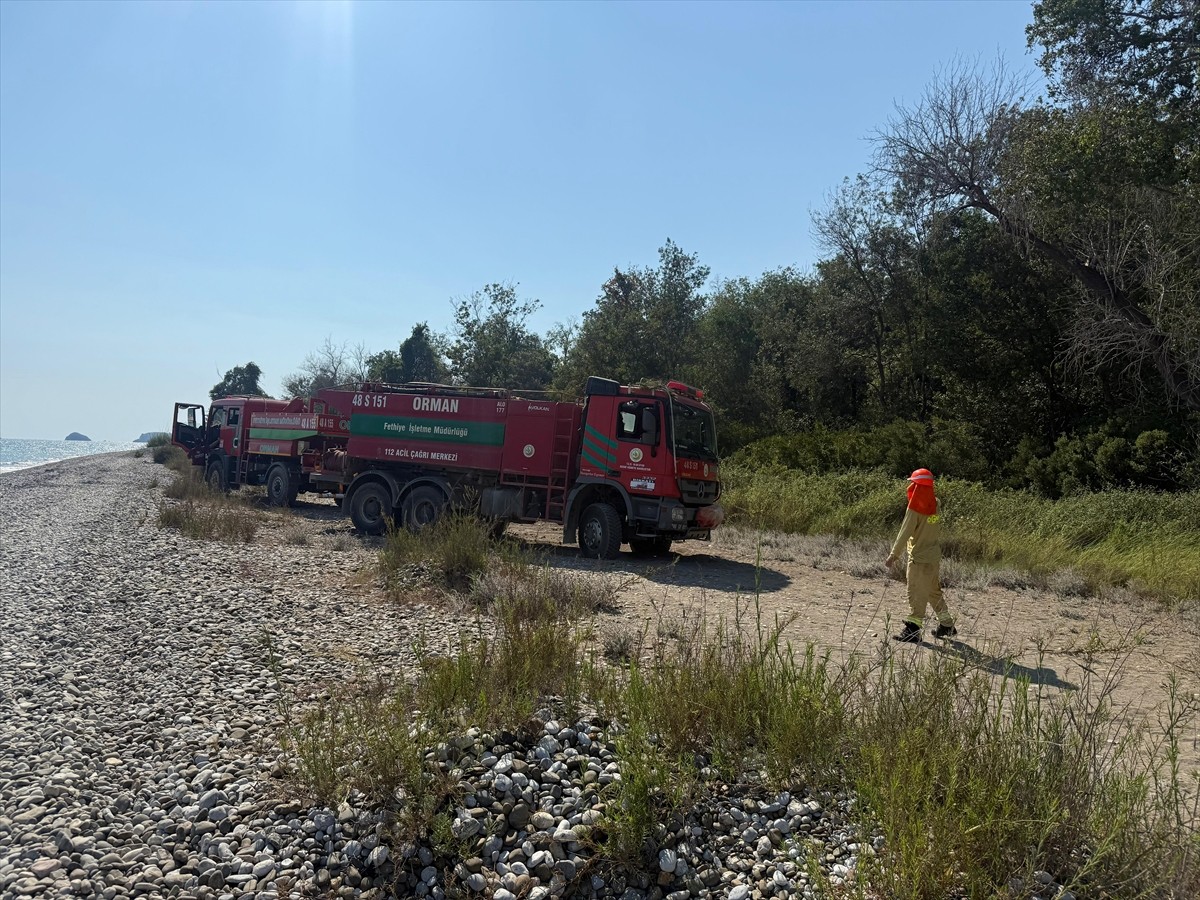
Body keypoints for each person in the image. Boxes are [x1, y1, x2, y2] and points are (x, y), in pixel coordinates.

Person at [885, 468, 956, 643]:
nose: (910, 485)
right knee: (932, 591)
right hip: (933, 557)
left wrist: (894, 555)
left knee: (916, 592)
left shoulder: (914, 509)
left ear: (916, 486)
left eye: (913, 483)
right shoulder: (935, 503)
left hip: (919, 558)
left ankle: (912, 630)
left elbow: (904, 532)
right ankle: (947, 624)